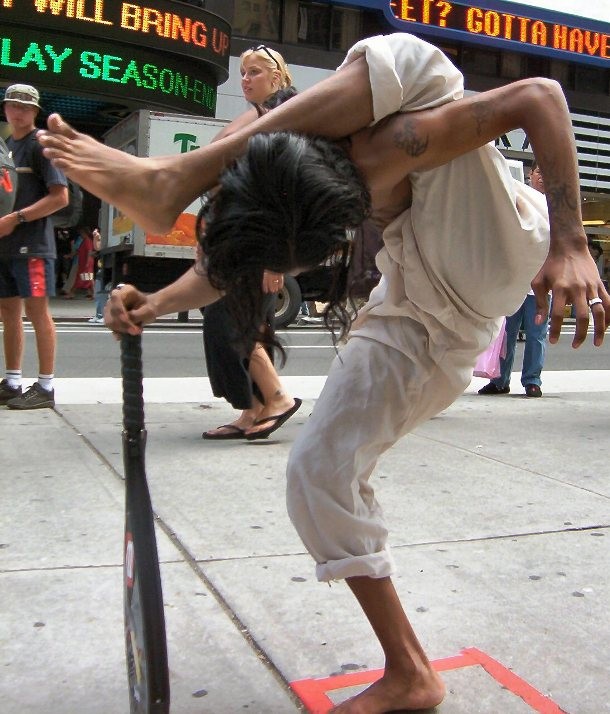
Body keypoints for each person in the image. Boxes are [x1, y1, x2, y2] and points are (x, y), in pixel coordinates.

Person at [38, 34, 610, 713]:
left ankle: (411, 675)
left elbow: (543, 94)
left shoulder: (389, 145)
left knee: (319, 474)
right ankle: (175, 180)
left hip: (466, 290)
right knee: (410, 69)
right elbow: (238, 254)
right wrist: (156, 303)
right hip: (428, 275)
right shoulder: (346, 148)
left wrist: (576, 243)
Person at [202, 45, 301, 440]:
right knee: (235, 322)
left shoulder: (283, 119)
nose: (245, 80)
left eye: (254, 72)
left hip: (257, 243)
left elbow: (286, 193)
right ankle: (252, 409)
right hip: (238, 238)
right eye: (242, 73)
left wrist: (277, 259)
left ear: (276, 77)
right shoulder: (265, 118)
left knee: (234, 322)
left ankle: (276, 398)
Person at [0, 84, 68, 409]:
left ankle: (45, 387)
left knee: (37, 312)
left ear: (35, 112)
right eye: (13, 105)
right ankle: (13, 381)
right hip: (6, 246)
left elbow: (60, 196)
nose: (18, 111)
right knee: (8, 312)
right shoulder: (6, 145)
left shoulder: (40, 143)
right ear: (5, 109)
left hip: (33, 247)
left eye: (25, 107)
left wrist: (17, 218)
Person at [478, 160, 550, 398]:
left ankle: (532, 380)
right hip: (514, 282)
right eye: (539, 172)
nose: (542, 178)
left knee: (536, 335)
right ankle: (499, 381)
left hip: (540, 287)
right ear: (531, 174)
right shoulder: (518, 198)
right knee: (505, 334)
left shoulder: (555, 207)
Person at [88, 227, 109, 323]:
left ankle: (104, 315)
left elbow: (98, 246)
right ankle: (99, 314)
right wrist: (96, 238)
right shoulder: (103, 241)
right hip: (100, 269)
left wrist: (97, 238)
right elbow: (97, 247)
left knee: (103, 293)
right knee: (98, 293)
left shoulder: (109, 241)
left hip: (105, 269)